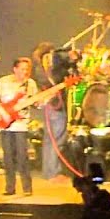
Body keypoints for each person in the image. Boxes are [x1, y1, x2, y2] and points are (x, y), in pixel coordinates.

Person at [0, 57, 38, 197]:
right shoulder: (4, 82)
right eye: (22, 69)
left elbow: (35, 103)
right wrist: (3, 113)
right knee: (8, 157)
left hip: (21, 125)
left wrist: (41, 102)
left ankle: (27, 188)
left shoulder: (31, 84)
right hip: (5, 124)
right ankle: (10, 188)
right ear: (15, 69)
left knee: (22, 157)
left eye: (27, 69)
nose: (25, 72)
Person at [32, 43, 78, 180]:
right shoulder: (53, 62)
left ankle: (49, 172)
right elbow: (63, 60)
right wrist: (72, 57)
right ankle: (53, 173)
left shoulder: (39, 68)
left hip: (50, 104)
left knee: (50, 139)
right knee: (56, 139)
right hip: (55, 104)